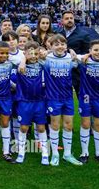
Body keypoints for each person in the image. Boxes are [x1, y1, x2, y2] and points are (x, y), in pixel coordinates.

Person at [25, 34, 82, 166]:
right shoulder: (46, 59)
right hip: (53, 98)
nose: (60, 46)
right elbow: (27, 56)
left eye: (62, 44)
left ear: (66, 46)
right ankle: (55, 154)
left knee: (68, 125)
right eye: (56, 44)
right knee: (55, 126)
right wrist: (45, 52)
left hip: (68, 97)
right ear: (51, 46)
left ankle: (67, 154)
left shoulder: (71, 58)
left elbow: (86, 58)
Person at [74, 40, 99, 164]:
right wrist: (83, 56)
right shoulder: (83, 60)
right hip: (85, 96)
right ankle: (84, 152)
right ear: (90, 51)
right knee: (85, 124)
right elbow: (72, 54)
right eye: (95, 50)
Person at [14, 41, 49, 165]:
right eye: (30, 54)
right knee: (23, 127)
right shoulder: (20, 64)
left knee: (41, 127)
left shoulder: (42, 64)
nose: (33, 56)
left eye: (35, 53)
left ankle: (45, 153)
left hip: (40, 101)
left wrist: (44, 53)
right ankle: (21, 152)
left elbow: (52, 55)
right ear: (25, 54)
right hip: (24, 101)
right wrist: (24, 59)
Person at [56, 10, 90, 94]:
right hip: (61, 70)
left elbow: (87, 53)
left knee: (82, 96)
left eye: (71, 18)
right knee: (62, 96)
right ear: (62, 21)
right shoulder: (57, 34)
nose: (69, 20)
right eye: (67, 18)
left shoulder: (83, 34)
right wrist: (68, 50)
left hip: (78, 71)